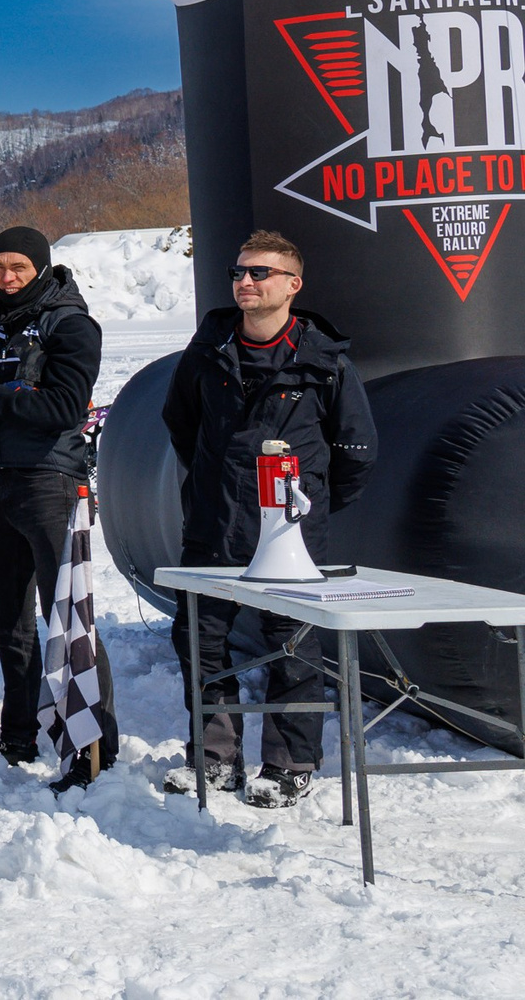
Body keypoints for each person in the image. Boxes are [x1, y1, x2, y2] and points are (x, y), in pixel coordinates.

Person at [160, 230, 376, 807]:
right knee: (200, 638)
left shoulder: (324, 363)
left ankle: (290, 764)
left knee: (294, 645)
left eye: (259, 273)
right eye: (238, 273)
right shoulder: (207, 352)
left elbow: (356, 449)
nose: (245, 282)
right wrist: (214, 482)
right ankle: (215, 756)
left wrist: (312, 504)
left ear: (292, 285)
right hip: (214, 525)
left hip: (290, 534)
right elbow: (181, 424)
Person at [0, 224, 119, 788]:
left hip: (52, 483)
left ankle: (91, 742)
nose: (7, 278)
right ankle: (20, 732)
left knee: (66, 618)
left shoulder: (71, 324)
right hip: (0, 484)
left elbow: (65, 406)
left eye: (18, 268)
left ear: (41, 267)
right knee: (10, 620)